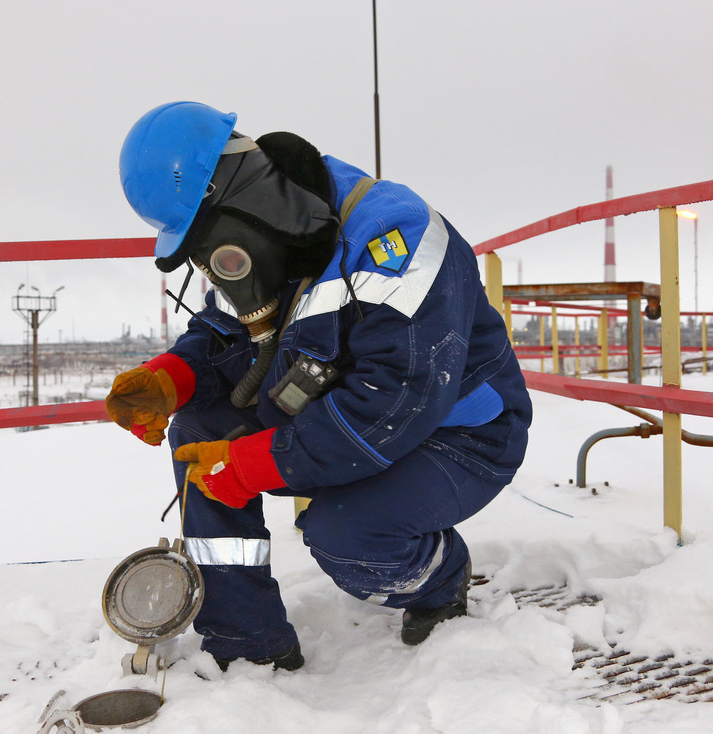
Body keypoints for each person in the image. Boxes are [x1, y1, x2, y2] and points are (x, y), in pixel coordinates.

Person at [106, 101, 532, 672]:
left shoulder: (395, 233)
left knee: (348, 537)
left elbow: (394, 402)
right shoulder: (267, 244)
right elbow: (228, 335)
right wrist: (171, 378)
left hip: (457, 435)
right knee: (198, 437)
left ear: (243, 200)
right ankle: (246, 642)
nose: (212, 267)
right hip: (336, 419)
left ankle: (439, 576)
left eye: (209, 242)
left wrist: (255, 463)